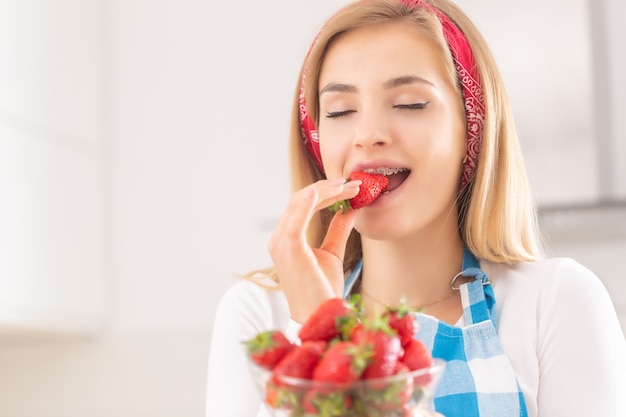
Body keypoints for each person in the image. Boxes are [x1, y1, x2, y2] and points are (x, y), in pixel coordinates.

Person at [205, 0, 626, 416]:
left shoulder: (555, 302)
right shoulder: (259, 315)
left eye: (410, 104)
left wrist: (336, 347)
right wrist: (316, 331)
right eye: (340, 111)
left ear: (473, 132)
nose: (367, 134)